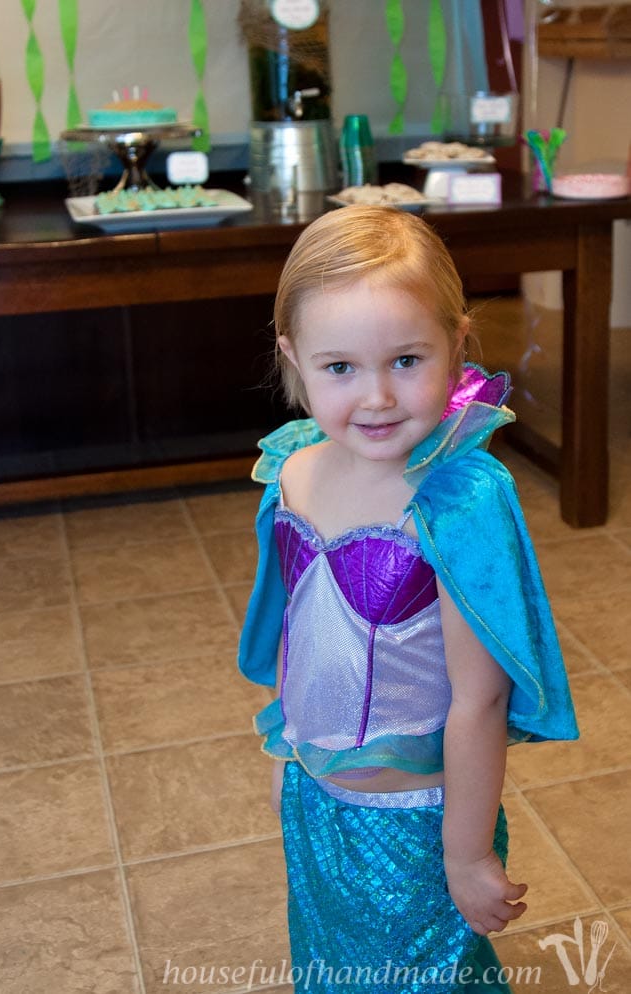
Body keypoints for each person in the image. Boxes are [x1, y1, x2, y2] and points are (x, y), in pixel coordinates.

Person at [238, 205, 578, 993]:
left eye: (407, 359)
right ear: (294, 358)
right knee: (333, 965)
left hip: (421, 819)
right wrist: (292, 743)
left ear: (457, 344)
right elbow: (301, 623)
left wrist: (466, 854)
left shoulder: (458, 501)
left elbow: (480, 700)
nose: (378, 398)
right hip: (318, 798)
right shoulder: (291, 470)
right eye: (341, 368)